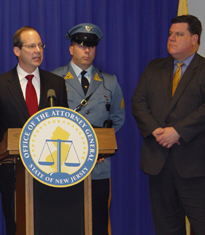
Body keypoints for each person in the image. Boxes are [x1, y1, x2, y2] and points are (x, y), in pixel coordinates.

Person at [132, 15, 205, 235]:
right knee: (166, 228)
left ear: (194, 39)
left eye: (179, 34)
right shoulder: (154, 67)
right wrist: (155, 130)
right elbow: (138, 102)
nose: (171, 39)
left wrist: (178, 132)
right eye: (170, 34)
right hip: (160, 164)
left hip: (200, 167)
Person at [0, 26, 68, 235]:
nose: (37, 50)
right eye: (31, 46)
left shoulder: (56, 83)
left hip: (51, 170)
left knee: (51, 225)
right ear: (17, 51)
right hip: (14, 170)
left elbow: (66, 124)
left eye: (40, 45)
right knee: (17, 226)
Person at [51, 23, 125, 235]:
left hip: (98, 167)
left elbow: (117, 119)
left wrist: (101, 148)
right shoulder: (54, 79)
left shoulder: (109, 82)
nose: (87, 50)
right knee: (65, 223)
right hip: (64, 166)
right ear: (71, 49)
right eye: (81, 45)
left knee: (98, 222)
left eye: (91, 46)